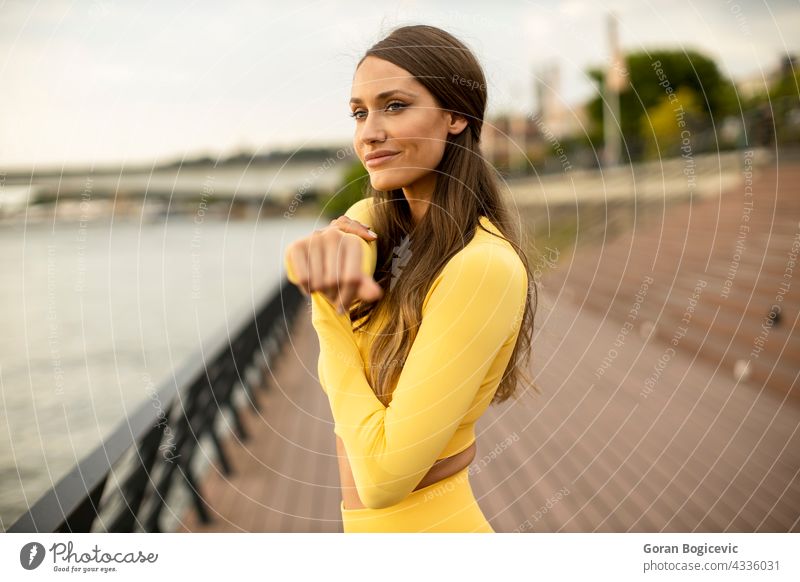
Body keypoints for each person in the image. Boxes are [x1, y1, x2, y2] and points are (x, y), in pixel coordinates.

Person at [284, 24, 540, 532]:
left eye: (394, 106)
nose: (368, 132)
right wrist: (318, 254)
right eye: (359, 113)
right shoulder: (383, 223)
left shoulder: (481, 265)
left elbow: (382, 479)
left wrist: (327, 314)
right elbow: (306, 257)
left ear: (455, 116)